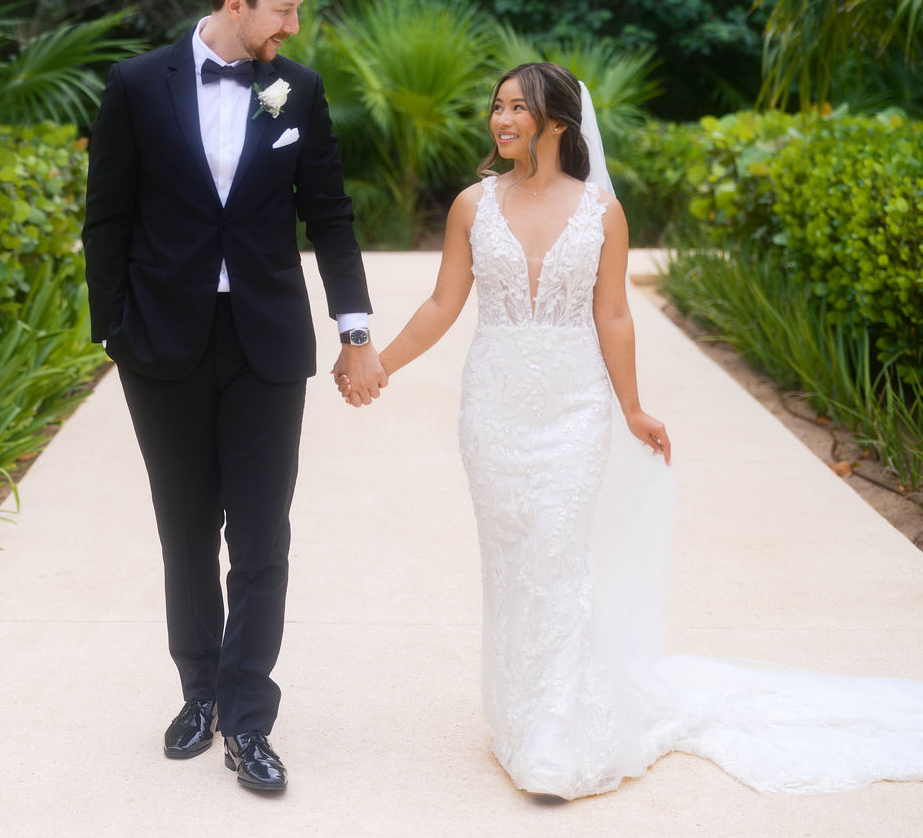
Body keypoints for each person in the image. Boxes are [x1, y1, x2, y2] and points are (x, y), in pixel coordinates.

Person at [343, 61, 923, 798]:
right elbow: (440, 303)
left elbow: (613, 314)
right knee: (513, 560)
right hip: (494, 409)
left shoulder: (601, 212)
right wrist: (378, 365)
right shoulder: (471, 204)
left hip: (574, 407)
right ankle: (519, 712)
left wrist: (633, 406)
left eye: (517, 107)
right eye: (496, 107)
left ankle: (555, 733)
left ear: (557, 121)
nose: (501, 119)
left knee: (558, 558)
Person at [82, 0, 386, 795]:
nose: (294, 24)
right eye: (284, 9)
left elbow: (329, 214)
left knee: (259, 537)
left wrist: (354, 329)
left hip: (265, 341)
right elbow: (107, 217)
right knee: (185, 531)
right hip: (162, 345)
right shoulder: (138, 85)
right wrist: (114, 330)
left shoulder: (300, 90)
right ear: (237, 5)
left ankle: (249, 720)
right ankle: (199, 692)